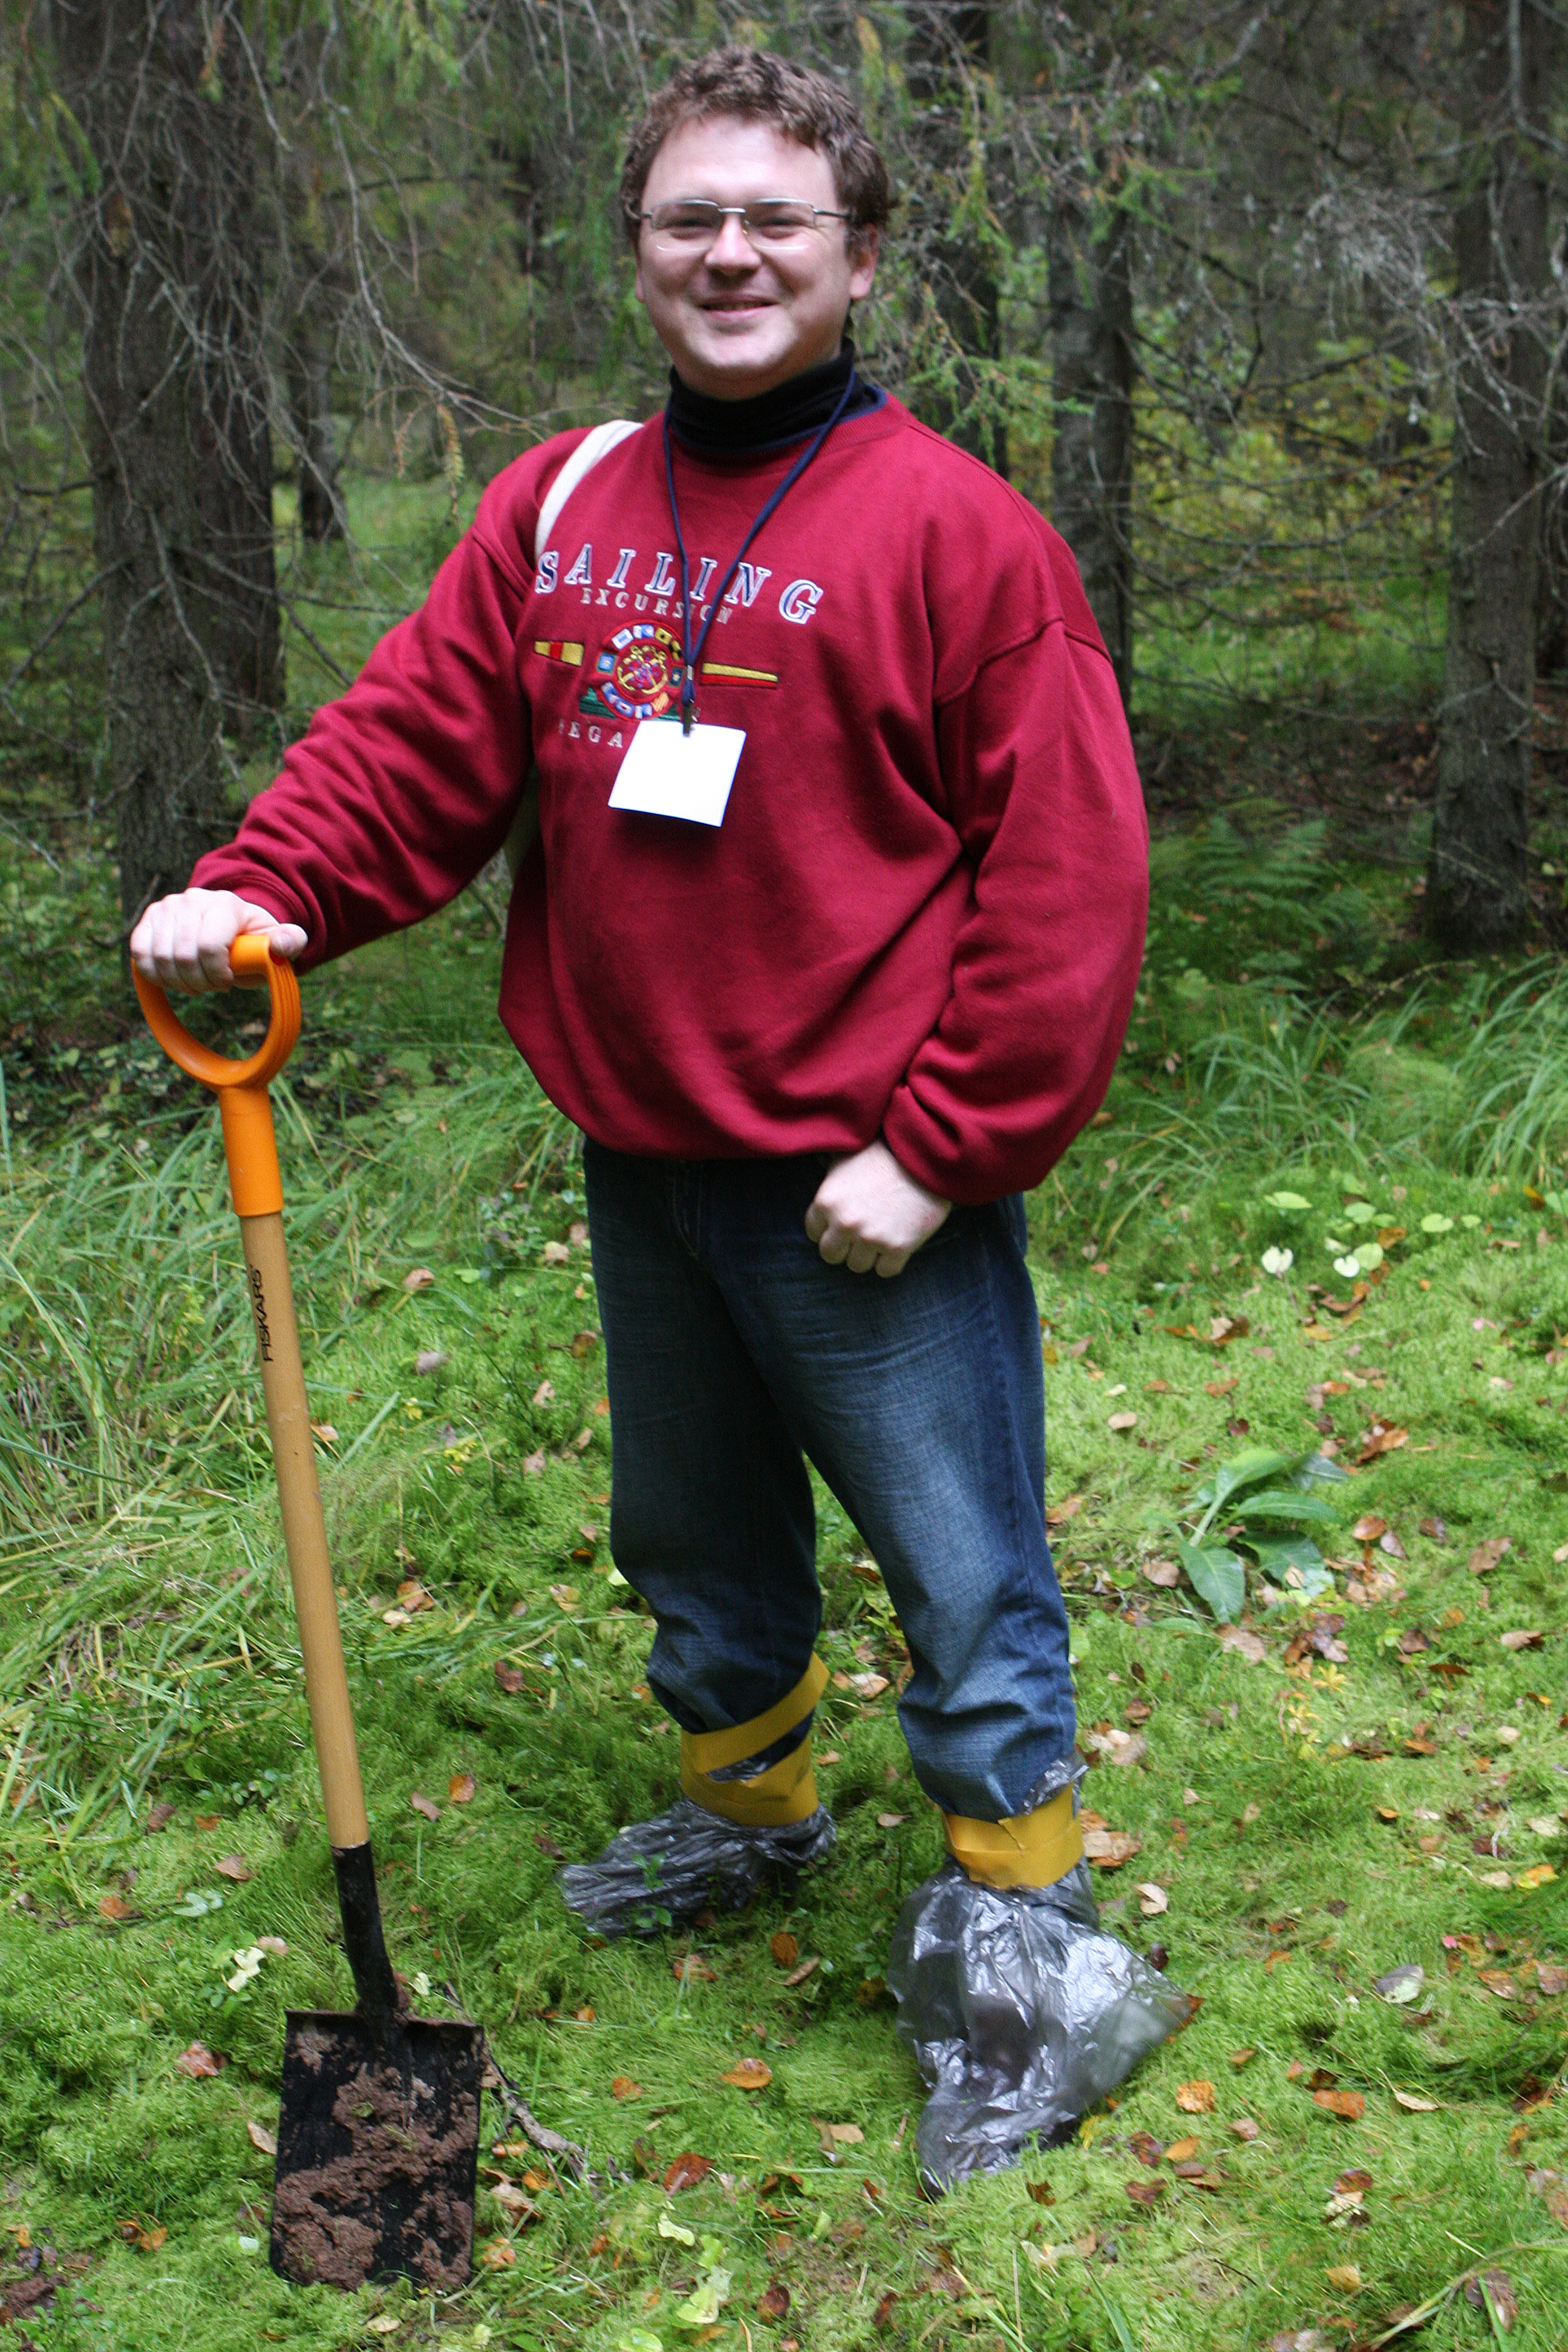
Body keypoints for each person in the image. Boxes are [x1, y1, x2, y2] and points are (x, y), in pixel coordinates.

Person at [129, 47, 1186, 2187]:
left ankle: (1026, 1947)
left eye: (778, 220)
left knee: (960, 1565)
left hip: (864, 1183)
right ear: (638, 251)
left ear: (860, 258)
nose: (731, 254)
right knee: (693, 1535)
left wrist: (942, 1148)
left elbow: (1068, 881)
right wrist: (264, 891)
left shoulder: (960, 537)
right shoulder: (566, 503)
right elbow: (416, 743)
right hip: (645, 1152)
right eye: (691, 217)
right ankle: (750, 1816)